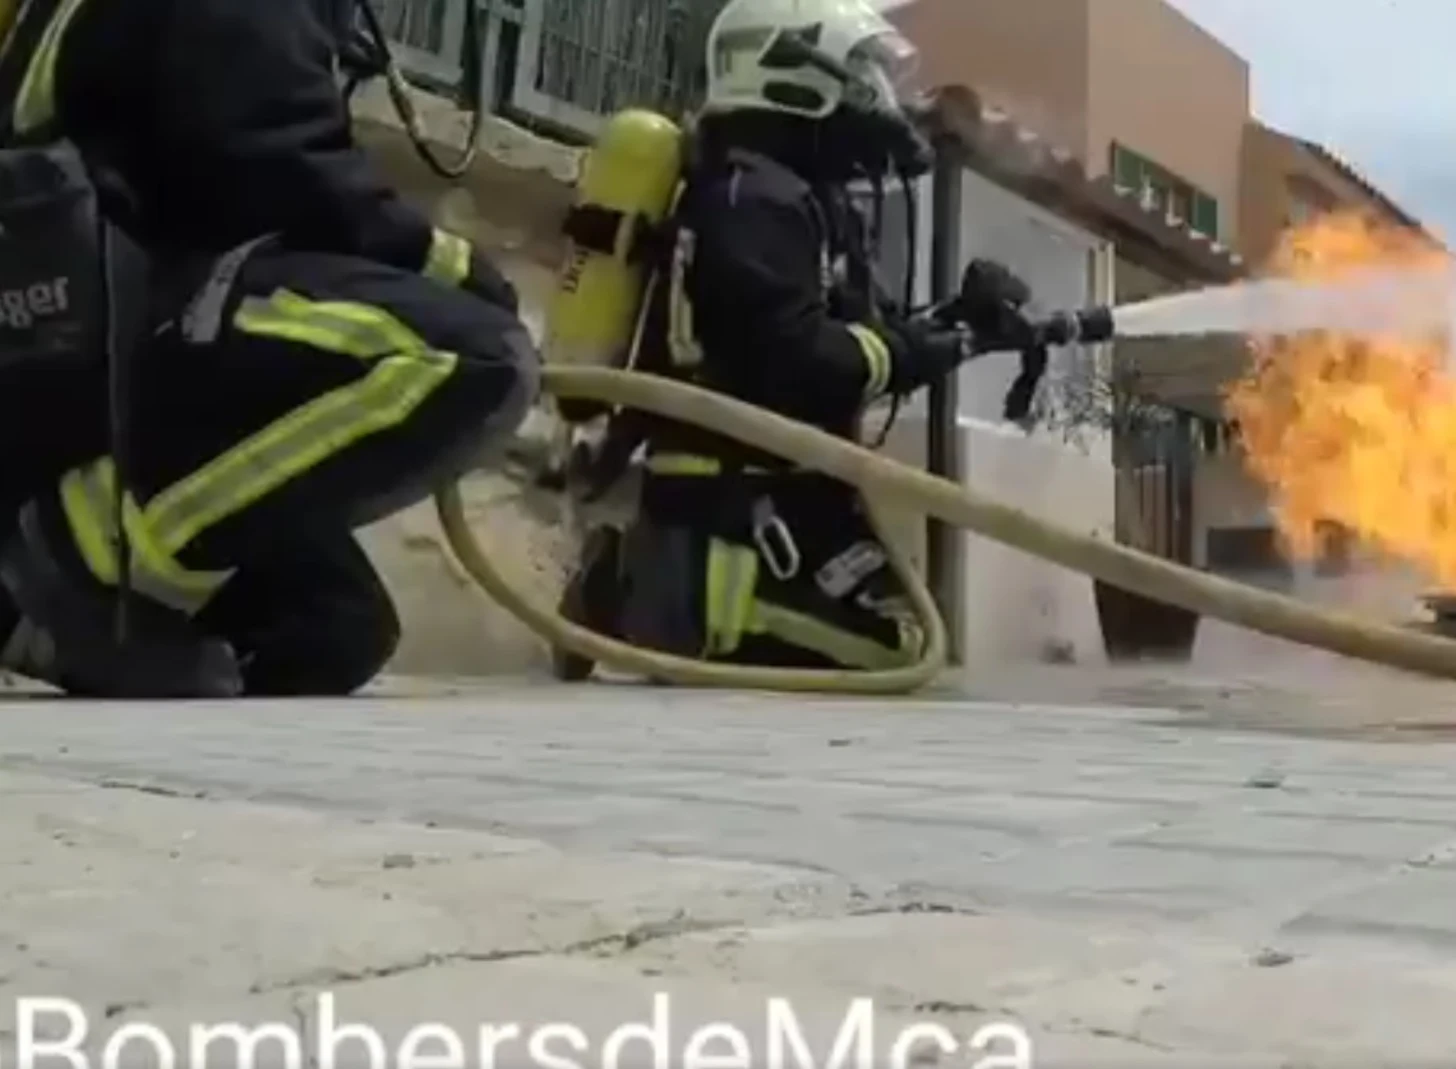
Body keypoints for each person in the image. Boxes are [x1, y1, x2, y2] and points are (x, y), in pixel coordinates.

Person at [0, 0, 539, 698]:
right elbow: (274, 156)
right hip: (92, 342)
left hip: (86, 351)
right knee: (474, 355)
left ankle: (25, 594)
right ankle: (87, 560)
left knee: (332, 627)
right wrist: (451, 265)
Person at [556, 0, 1036, 676]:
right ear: (789, 72)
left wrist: (956, 321)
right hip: (733, 503)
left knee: (912, 639)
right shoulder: (752, 199)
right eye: (861, 69)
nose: (878, 93)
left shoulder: (793, 195)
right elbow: (801, 360)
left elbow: (849, 338)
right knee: (900, 649)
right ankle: (639, 603)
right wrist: (933, 345)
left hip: (786, 491)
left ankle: (634, 589)